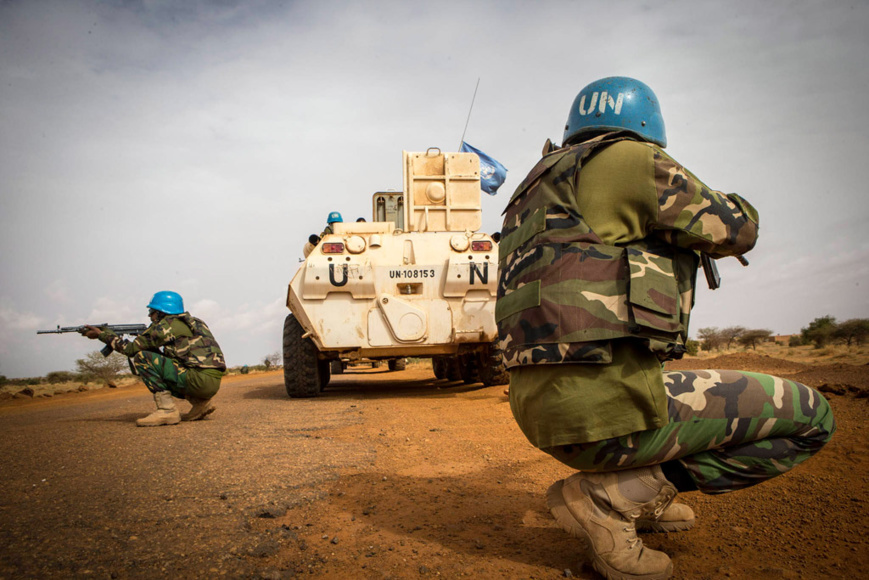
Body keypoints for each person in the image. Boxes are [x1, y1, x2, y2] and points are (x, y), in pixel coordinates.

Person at [496, 77, 835, 580]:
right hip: (604, 419)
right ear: (647, 127)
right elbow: (739, 229)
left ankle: (639, 488)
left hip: (544, 415)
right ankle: (611, 499)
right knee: (813, 417)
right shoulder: (631, 160)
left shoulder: (531, 188)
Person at [82, 291, 226, 427]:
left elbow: (130, 349)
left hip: (197, 380)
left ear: (161, 312)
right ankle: (200, 403)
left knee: (142, 357)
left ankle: (167, 410)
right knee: (156, 358)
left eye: (152, 312)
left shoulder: (166, 326)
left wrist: (102, 335)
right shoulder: (195, 322)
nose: (150, 316)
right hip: (210, 381)